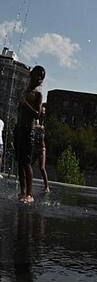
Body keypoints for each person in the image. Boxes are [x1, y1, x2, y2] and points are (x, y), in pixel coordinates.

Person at [15, 66, 45, 203]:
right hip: (19, 128)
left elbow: (37, 114)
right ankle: (22, 192)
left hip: (29, 130)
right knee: (20, 162)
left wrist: (25, 104)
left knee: (26, 162)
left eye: (39, 76)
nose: (35, 78)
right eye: (34, 74)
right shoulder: (24, 91)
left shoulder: (38, 94)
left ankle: (29, 194)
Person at [32, 104, 50, 194]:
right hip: (35, 147)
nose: (43, 112)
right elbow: (34, 127)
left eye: (44, 111)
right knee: (30, 165)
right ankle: (28, 183)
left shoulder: (44, 122)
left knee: (42, 168)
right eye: (42, 111)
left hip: (42, 148)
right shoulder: (36, 120)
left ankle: (47, 186)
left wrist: (38, 127)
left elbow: (39, 128)